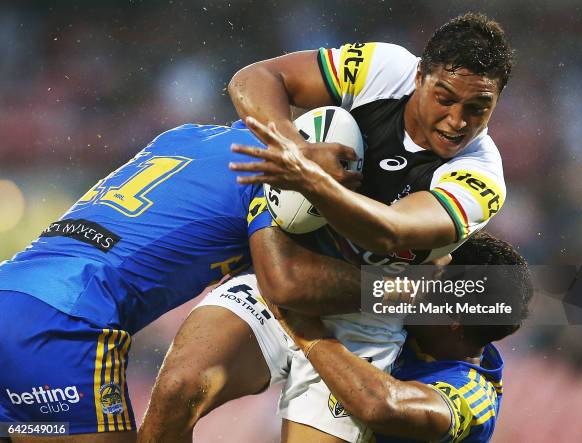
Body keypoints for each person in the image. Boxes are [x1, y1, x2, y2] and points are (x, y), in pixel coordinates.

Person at [140, 13, 515, 443]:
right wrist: (294, 146)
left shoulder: (482, 177)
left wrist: (309, 179)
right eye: (444, 98)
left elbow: (391, 232)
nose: (457, 121)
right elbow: (257, 77)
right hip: (284, 270)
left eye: (477, 109)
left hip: (365, 316)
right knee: (177, 391)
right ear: (419, 76)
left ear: (496, 102)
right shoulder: (384, 70)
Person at [0, 120, 362, 442]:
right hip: (68, 315)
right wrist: (410, 290)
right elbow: (286, 284)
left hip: (12, 286)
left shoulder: (184, 134)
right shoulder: (269, 178)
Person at [274, 231, 533, 442]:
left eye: (432, 281)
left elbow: (382, 406)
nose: (411, 282)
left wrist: (309, 334)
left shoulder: (473, 398)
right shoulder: (417, 333)